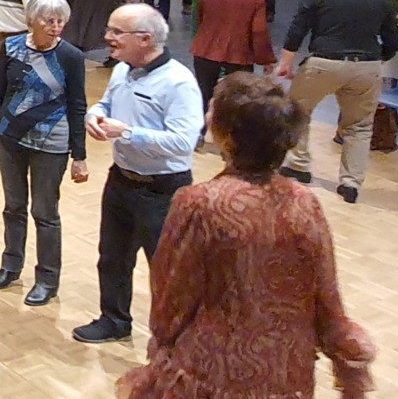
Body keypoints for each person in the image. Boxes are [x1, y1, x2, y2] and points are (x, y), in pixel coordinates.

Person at [116, 73, 375, 398]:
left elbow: (172, 299)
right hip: (287, 373)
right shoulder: (304, 201)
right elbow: (326, 296)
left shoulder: (199, 203)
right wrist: (347, 359)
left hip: (213, 373)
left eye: (213, 110)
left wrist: (160, 354)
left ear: (227, 136)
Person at [72, 4, 202, 344]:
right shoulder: (122, 70)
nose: (108, 37)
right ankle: (114, 321)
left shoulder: (179, 83)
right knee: (112, 258)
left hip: (164, 191)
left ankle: (174, 339)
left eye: (117, 32)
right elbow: (106, 105)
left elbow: (183, 142)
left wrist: (127, 133)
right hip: (121, 180)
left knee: (167, 269)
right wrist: (94, 115)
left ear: (145, 39)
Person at [0, 0, 88, 307]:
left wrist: (79, 155)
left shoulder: (71, 56)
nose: (55, 27)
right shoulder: (12, 46)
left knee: (45, 212)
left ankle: (47, 279)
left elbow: (78, 105)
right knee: (13, 206)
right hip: (10, 138)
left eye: (60, 21)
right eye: (49, 20)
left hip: (50, 144)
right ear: (32, 21)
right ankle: (11, 265)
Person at [275, 0, 398, 204]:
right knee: (359, 126)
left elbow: (297, 31)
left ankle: (298, 164)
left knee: (297, 112)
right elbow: (394, 40)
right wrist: (378, 59)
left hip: (324, 62)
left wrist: (286, 63)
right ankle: (350, 184)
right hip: (366, 67)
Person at [190, 0, 276, 128]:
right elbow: (259, 31)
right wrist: (266, 59)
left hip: (205, 49)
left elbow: (199, 17)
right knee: (237, 97)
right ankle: (230, 135)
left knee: (203, 93)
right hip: (239, 53)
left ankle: (199, 132)